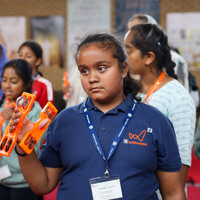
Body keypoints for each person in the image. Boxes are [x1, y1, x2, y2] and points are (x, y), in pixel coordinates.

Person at [9, 33, 185, 200]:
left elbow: (173, 194)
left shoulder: (155, 121)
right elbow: (43, 185)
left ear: (123, 69)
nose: (92, 78)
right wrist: (25, 148)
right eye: (84, 71)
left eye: (102, 68)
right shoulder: (64, 121)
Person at [124, 23, 196, 188]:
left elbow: (180, 165)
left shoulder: (178, 98)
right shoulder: (128, 88)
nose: (123, 57)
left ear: (149, 57)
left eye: (128, 52)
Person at [0, 59, 45, 200]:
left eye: (13, 82)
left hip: (24, 182)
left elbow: (34, 149)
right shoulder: (3, 106)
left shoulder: (34, 112)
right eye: (4, 80)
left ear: (26, 83)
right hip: (3, 179)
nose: (7, 86)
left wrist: (14, 123)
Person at [126, 13, 190, 92]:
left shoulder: (175, 60)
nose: (131, 35)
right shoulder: (134, 65)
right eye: (130, 30)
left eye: (139, 30)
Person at [18, 41, 54, 109]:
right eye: (20, 55)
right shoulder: (15, 82)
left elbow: (47, 113)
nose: (22, 59)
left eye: (28, 56)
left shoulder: (45, 84)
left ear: (38, 61)